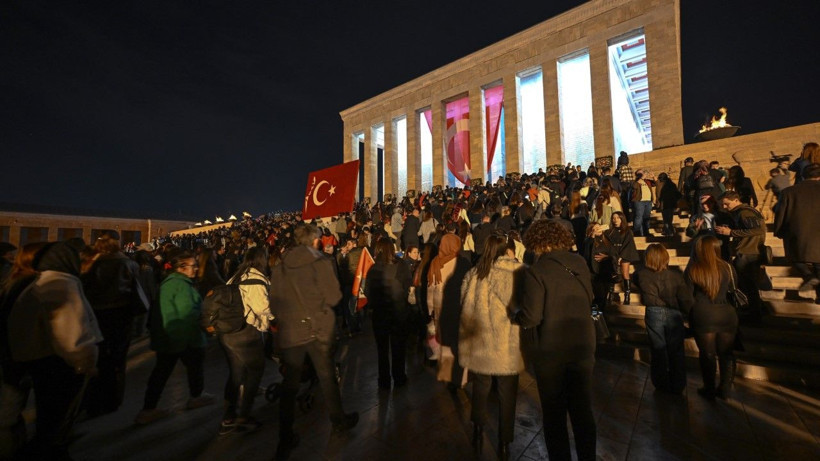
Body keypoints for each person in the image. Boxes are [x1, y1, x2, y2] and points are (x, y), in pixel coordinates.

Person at [269, 224, 358, 460]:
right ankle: (339, 421)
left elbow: (274, 304)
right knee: (327, 376)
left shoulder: (280, 266)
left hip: (290, 332)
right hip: (317, 329)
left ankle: (285, 436)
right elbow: (334, 297)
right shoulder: (320, 262)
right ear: (315, 241)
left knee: (290, 385)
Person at [7, 241, 103, 459]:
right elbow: (70, 332)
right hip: (59, 364)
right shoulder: (62, 283)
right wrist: (84, 362)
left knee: (49, 419)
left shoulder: (41, 281)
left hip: (40, 360)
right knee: (56, 424)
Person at [516, 220, 596, 461]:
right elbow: (589, 297)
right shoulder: (580, 262)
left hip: (552, 350)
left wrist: (516, 316)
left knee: (554, 414)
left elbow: (531, 316)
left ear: (538, 242)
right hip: (582, 344)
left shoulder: (537, 271)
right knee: (582, 409)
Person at [459, 234, 523, 460]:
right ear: (506, 250)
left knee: (480, 390)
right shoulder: (515, 272)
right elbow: (522, 307)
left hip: (479, 345)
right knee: (508, 396)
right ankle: (504, 443)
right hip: (506, 346)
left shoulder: (473, 274)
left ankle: (477, 430)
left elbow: (462, 304)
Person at [136, 249, 215, 425]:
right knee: (192, 368)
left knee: (161, 374)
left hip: (168, 339)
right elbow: (187, 314)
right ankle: (195, 396)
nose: (196, 269)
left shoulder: (172, 283)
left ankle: (148, 408)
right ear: (181, 268)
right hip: (182, 340)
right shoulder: (180, 285)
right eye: (193, 266)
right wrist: (198, 335)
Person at [81, 231, 148, 417]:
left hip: (94, 314)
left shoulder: (89, 264)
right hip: (120, 314)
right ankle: (112, 400)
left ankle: (92, 401)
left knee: (97, 357)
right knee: (117, 359)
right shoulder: (127, 263)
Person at [217, 246, 273, 435]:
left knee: (235, 374)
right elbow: (262, 309)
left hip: (228, 334)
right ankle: (244, 415)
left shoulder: (236, 276)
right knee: (255, 371)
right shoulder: (256, 279)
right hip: (246, 332)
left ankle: (228, 416)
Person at [634, 244, 693, 394]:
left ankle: (661, 383)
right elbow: (685, 299)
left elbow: (636, 281)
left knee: (658, 349)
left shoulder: (641, 274)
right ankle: (678, 384)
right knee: (676, 350)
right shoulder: (675, 276)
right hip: (673, 311)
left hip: (653, 311)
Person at [685, 236, 738, 400]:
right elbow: (733, 289)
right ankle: (725, 388)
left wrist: (690, 314)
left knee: (707, 354)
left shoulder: (693, 268)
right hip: (726, 313)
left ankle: (709, 388)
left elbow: (687, 296)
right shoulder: (727, 267)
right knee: (727, 353)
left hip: (703, 313)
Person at [365, 239, 412, 389]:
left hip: (380, 314)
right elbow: (408, 288)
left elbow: (368, 292)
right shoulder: (402, 265)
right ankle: (399, 377)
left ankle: (384, 381)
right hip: (398, 312)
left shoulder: (373, 269)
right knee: (398, 347)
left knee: (382, 350)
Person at [428, 233, 471, 388]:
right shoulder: (464, 263)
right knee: (460, 344)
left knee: (445, 344)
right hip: (460, 308)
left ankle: (448, 377)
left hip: (442, 310)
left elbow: (431, 289)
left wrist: (430, 310)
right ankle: (462, 378)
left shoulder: (435, 263)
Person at [715, 190, 767, 320]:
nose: (725, 207)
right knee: (747, 283)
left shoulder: (745, 212)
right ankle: (757, 309)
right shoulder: (740, 212)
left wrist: (731, 232)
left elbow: (758, 229)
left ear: (736, 200)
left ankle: (755, 313)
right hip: (747, 251)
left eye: (727, 204)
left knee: (748, 284)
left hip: (748, 252)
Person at [774, 163, 820, 295]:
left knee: (796, 259)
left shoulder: (788, 192)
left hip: (797, 235)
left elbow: (780, 213)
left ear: (803, 176)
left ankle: (809, 276)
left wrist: (778, 231)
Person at [595, 212, 639, 305]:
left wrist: (621, 256)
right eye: (613, 218)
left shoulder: (628, 231)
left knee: (625, 273)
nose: (615, 220)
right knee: (612, 273)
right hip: (612, 253)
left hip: (624, 253)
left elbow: (628, 245)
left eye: (618, 218)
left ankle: (627, 296)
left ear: (622, 219)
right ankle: (610, 295)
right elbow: (607, 244)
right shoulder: (609, 232)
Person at [656, 172, 682, 236]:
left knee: (666, 220)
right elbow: (678, 194)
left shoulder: (660, 185)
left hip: (664, 204)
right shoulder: (672, 184)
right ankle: (668, 231)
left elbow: (658, 195)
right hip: (672, 204)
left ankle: (670, 231)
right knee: (669, 219)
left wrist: (658, 202)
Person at [631, 171, 655, 236]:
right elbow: (634, 187)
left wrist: (653, 177)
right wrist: (639, 179)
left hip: (648, 201)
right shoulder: (635, 182)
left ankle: (646, 232)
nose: (644, 174)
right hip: (639, 201)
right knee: (639, 217)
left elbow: (655, 183)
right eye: (641, 173)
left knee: (646, 217)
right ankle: (637, 232)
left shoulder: (647, 181)